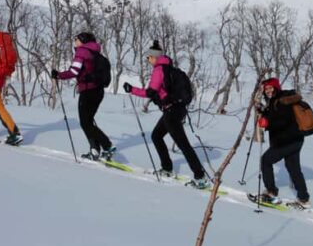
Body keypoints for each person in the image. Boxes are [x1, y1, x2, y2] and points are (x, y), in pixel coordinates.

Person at [123, 40, 208, 189]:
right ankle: (167, 168)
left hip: (172, 111)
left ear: (154, 57)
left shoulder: (159, 70)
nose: (148, 60)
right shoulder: (169, 69)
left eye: (148, 57)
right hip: (177, 109)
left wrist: (132, 89)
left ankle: (200, 177)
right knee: (156, 136)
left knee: (183, 144)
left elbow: (150, 92)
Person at [51, 32, 115, 161]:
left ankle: (107, 146)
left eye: (77, 39)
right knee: (88, 122)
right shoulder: (95, 52)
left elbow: (74, 71)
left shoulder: (82, 51)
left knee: (85, 123)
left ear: (83, 41)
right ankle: (95, 150)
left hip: (88, 91)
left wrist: (58, 75)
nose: (75, 41)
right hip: (98, 91)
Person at [252, 77, 311, 209]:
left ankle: (271, 192)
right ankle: (304, 199)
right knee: (294, 168)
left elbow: (282, 121)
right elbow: (275, 115)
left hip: (286, 141)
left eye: (270, 88)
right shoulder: (278, 100)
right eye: (266, 89)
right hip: (296, 140)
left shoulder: (282, 101)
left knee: (266, 160)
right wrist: (263, 112)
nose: (268, 91)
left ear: (276, 87)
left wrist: (266, 123)